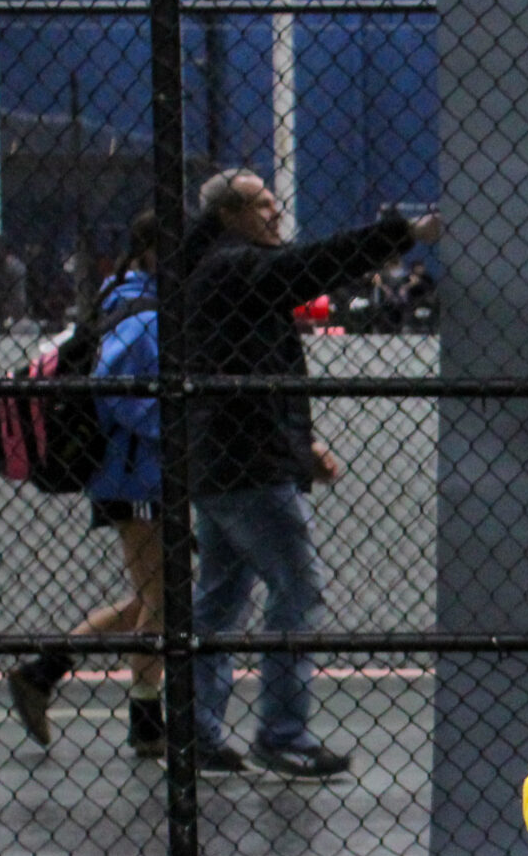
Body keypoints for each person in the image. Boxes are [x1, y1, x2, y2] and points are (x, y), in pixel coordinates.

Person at [183, 169, 440, 778]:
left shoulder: (214, 269)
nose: (275, 213)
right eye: (261, 204)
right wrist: (400, 233)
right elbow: (307, 267)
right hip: (249, 467)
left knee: (220, 600)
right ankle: (281, 733)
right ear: (229, 216)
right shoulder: (233, 267)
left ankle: (195, 731)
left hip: (225, 461)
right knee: (297, 591)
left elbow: (250, 372)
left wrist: (299, 446)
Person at [4, 211, 169, 757]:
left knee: (154, 596)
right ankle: (146, 717)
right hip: (134, 473)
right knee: (164, 597)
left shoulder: (127, 298)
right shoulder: (143, 311)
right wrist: (171, 424)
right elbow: (113, 386)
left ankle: (45, 671)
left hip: (133, 470)